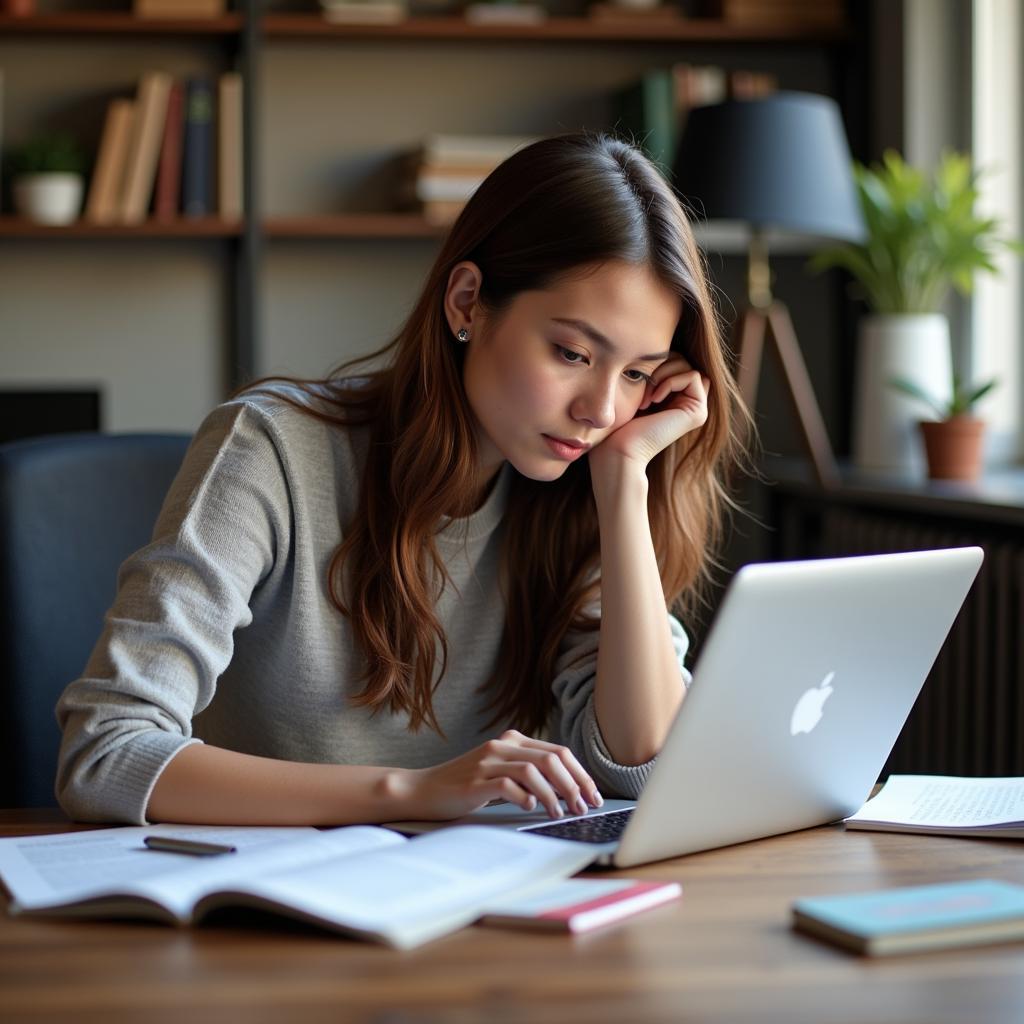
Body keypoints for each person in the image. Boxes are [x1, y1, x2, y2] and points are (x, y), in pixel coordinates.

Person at [55, 132, 747, 827]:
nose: (600, 410)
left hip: (493, 905)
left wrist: (624, 481)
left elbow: (647, 765)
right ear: (467, 302)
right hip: (267, 910)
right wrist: (411, 792)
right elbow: (106, 755)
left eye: (635, 373)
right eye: (571, 352)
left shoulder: (585, 487)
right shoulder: (272, 451)